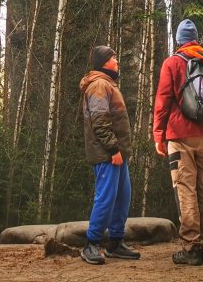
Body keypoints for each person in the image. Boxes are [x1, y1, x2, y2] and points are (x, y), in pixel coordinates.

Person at [152, 19, 203, 266]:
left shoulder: (173, 63)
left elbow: (162, 101)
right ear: (196, 39)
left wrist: (158, 135)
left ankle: (191, 246)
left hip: (180, 136)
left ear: (178, 40)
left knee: (185, 188)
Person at [79, 45, 141, 264]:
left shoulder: (108, 84)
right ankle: (91, 244)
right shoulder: (98, 85)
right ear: (104, 62)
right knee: (105, 198)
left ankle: (115, 243)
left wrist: (120, 151)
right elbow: (99, 121)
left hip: (117, 154)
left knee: (123, 197)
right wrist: (113, 149)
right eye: (114, 57)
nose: (117, 60)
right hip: (107, 153)